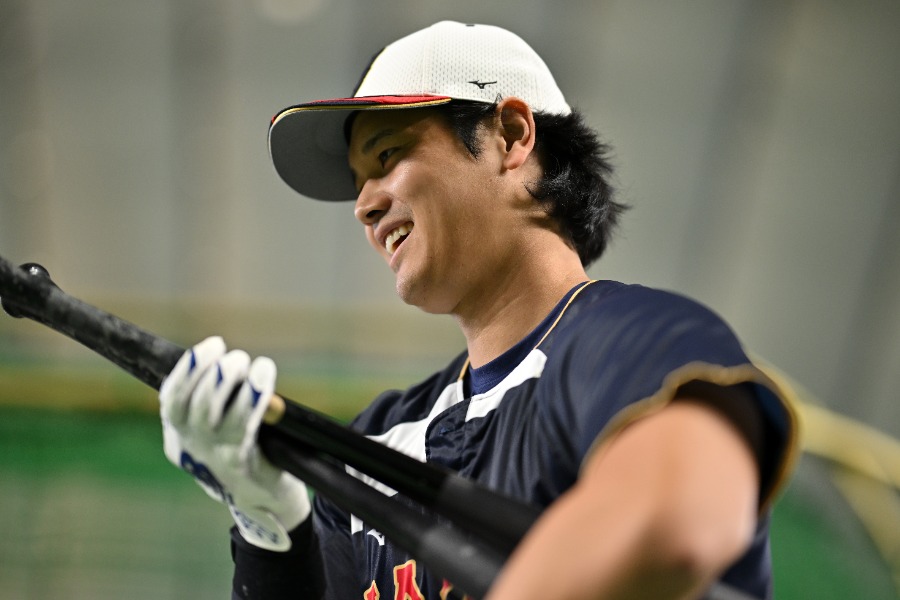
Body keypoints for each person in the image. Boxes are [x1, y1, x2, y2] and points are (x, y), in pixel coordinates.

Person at [159, 20, 797, 600]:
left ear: (511, 136)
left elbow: (677, 523)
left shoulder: (635, 339)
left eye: (387, 156)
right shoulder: (377, 438)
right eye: (358, 183)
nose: (364, 206)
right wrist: (269, 524)